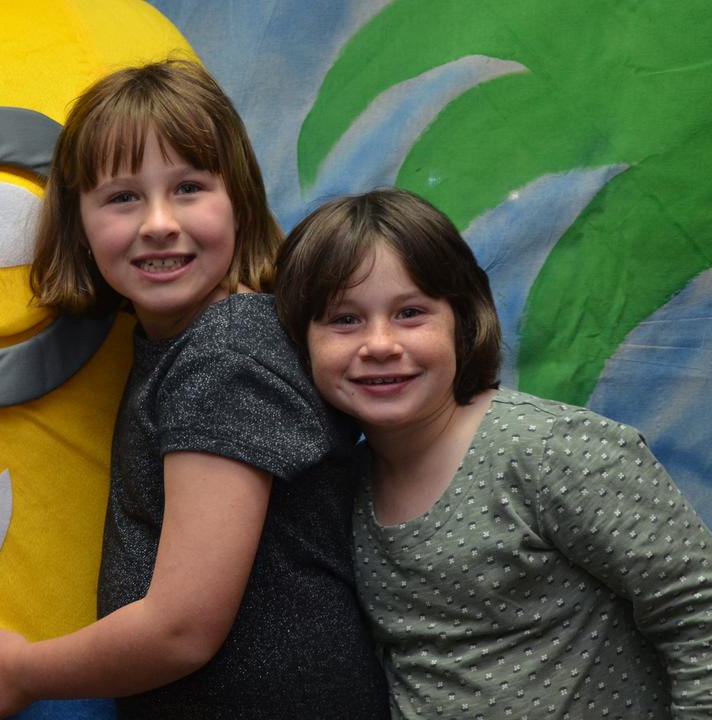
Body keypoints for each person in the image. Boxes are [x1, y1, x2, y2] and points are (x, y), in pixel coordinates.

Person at [0, 60, 388, 720]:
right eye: (123, 197)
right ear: (80, 224)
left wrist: (22, 672)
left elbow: (183, 629)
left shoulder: (227, 350)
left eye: (188, 188)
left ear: (237, 198)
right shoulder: (181, 342)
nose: (157, 222)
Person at [272, 187, 712, 718]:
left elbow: (698, 610)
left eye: (410, 312)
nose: (380, 344)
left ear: (462, 320)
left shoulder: (552, 450)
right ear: (302, 342)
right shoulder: (342, 488)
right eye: (344, 320)